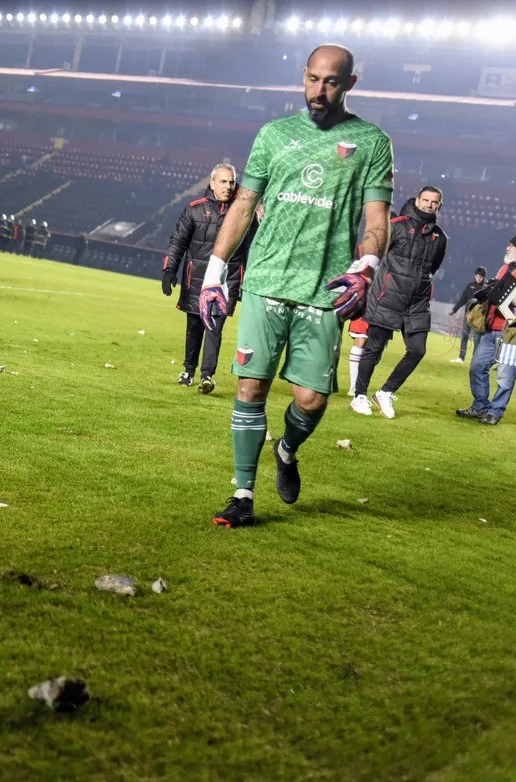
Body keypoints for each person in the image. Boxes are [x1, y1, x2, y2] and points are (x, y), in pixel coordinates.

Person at [201, 44, 393, 528]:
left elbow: (377, 219)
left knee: (311, 400)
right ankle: (243, 494)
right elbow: (244, 205)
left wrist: (366, 267)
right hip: (266, 281)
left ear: (350, 84)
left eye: (331, 82)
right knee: (250, 386)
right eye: (312, 79)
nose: (318, 91)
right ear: (303, 76)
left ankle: (286, 449)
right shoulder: (274, 134)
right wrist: (213, 273)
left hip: (325, 290)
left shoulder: (371, 142)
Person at [350, 186, 447, 418]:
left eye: (434, 202)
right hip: (388, 296)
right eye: (426, 200)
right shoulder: (396, 225)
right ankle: (359, 396)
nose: (429, 205)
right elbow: (376, 254)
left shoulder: (440, 237)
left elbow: (433, 267)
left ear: (439, 206)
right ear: (417, 200)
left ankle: (385, 392)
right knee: (373, 348)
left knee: (418, 350)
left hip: (417, 303)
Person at [162, 163, 256, 395]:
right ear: (212, 183)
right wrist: (170, 269)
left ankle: (207, 375)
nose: (228, 186)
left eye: (231, 182)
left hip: (227, 282)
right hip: (196, 279)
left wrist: (248, 282)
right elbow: (178, 241)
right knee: (194, 327)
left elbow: (253, 250)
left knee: (215, 327)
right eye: (223, 181)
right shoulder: (194, 209)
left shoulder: (244, 213)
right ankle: (188, 370)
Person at [457, 235, 516, 425]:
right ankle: (480, 406)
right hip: (491, 328)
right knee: (477, 367)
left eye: (512, 246)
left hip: (513, 332)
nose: (508, 249)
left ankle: (495, 412)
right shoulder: (504, 268)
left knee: (505, 376)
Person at [450, 267, 488, 364]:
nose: (479, 278)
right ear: (475, 276)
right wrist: (454, 310)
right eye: (477, 276)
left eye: (481, 277)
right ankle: (461, 358)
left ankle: (475, 360)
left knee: (477, 339)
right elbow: (462, 299)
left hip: (478, 318)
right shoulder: (470, 286)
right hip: (468, 316)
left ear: (484, 277)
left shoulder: (486, 288)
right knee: (464, 336)